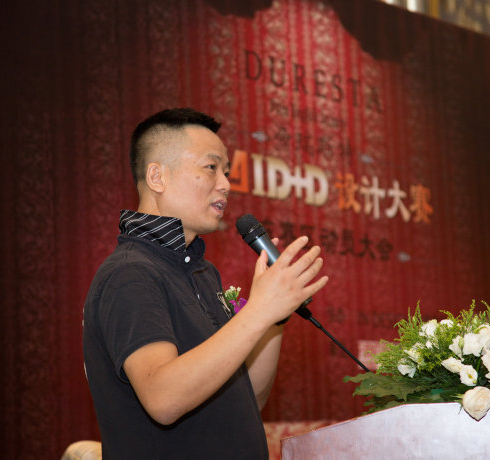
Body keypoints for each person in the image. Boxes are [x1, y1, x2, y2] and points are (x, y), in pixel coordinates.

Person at [82, 107, 328, 459]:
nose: (225, 184)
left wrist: (275, 317)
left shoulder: (202, 273)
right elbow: (163, 398)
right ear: (157, 177)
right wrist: (258, 311)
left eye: (226, 172)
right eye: (211, 167)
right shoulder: (129, 273)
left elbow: (249, 399)